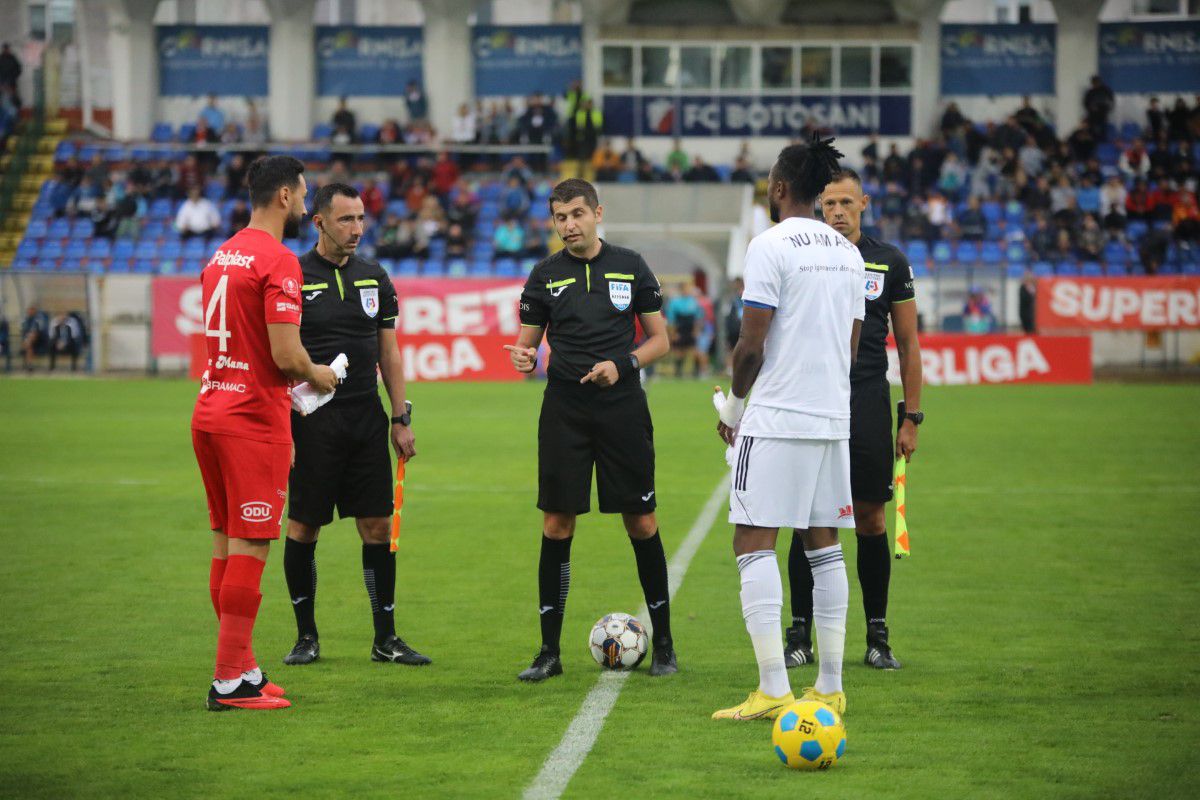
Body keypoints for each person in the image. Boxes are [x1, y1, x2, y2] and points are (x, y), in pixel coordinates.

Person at [712, 136, 864, 721]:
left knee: (752, 539)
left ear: (778, 189)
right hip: (832, 415)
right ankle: (829, 685)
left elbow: (752, 344)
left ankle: (774, 687)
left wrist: (734, 408)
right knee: (823, 543)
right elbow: (849, 348)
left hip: (777, 416)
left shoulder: (769, 246)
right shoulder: (847, 253)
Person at [505, 178, 675, 682]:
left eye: (577, 214)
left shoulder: (631, 265)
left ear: (597, 213)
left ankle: (664, 644)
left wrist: (622, 364)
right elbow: (527, 344)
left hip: (621, 405)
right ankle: (548, 652)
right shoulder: (543, 276)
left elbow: (660, 340)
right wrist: (524, 355)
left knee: (641, 521)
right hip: (564, 410)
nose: (569, 225)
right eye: (560, 217)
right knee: (557, 524)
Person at [191, 155, 339, 711]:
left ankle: (244, 666)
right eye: (303, 195)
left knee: (227, 545)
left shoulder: (222, 252)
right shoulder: (278, 260)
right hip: (252, 422)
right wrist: (318, 374)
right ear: (283, 196)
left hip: (211, 411)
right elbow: (285, 354)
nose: (305, 204)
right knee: (251, 544)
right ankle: (229, 680)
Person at [781, 168, 923, 676]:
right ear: (818, 207)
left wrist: (911, 418)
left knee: (871, 520)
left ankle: (878, 636)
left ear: (863, 203)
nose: (837, 212)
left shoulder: (888, 261)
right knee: (806, 520)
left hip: (865, 400)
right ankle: (800, 634)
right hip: (812, 397)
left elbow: (907, 346)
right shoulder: (804, 255)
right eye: (829, 204)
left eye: (846, 202)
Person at [280, 183, 425, 667]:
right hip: (311, 423)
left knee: (378, 526)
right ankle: (306, 638)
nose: (358, 229)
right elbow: (277, 352)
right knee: (303, 527)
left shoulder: (374, 276)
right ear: (318, 222)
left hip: (366, 419)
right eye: (346, 220)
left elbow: (389, 352)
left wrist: (400, 418)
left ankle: (386, 639)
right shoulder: (293, 275)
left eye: (361, 218)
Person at [20, 304, 49, 372]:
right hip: (29, 341)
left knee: (29, 341)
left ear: (35, 311)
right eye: (29, 310)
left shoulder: (39, 319)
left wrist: (29, 338)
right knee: (29, 345)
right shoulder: (25, 320)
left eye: (32, 310)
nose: (30, 311)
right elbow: (24, 332)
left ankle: (29, 365)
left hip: (40, 340)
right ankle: (29, 365)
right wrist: (26, 339)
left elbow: (38, 331)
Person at [1019, 269, 1037, 334]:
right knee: (1027, 330)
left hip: (1033, 314)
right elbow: (1025, 299)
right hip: (1024, 313)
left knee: (1032, 330)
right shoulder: (1022, 288)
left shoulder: (1034, 288)